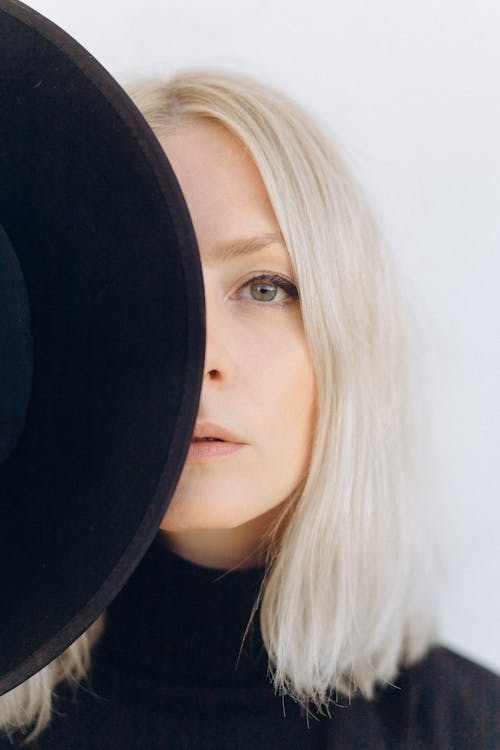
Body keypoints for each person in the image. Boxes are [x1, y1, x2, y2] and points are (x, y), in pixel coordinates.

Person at [0, 68, 498, 749]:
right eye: (143, 287)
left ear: (347, 337)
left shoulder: (468, 727)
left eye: (265, 287)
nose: (202, 353)